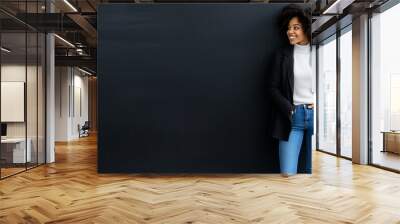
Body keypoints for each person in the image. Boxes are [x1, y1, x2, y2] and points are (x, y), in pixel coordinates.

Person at [269, 4, 314, 177]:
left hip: (316, 117)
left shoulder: (320, 50)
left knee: (313, 172)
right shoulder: (281, 55)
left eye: (296, 27)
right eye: (289, 28)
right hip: (293, 117)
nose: (291, 32)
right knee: (287, 173)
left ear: (306, 28)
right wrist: (290, 109)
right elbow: (272, 88)